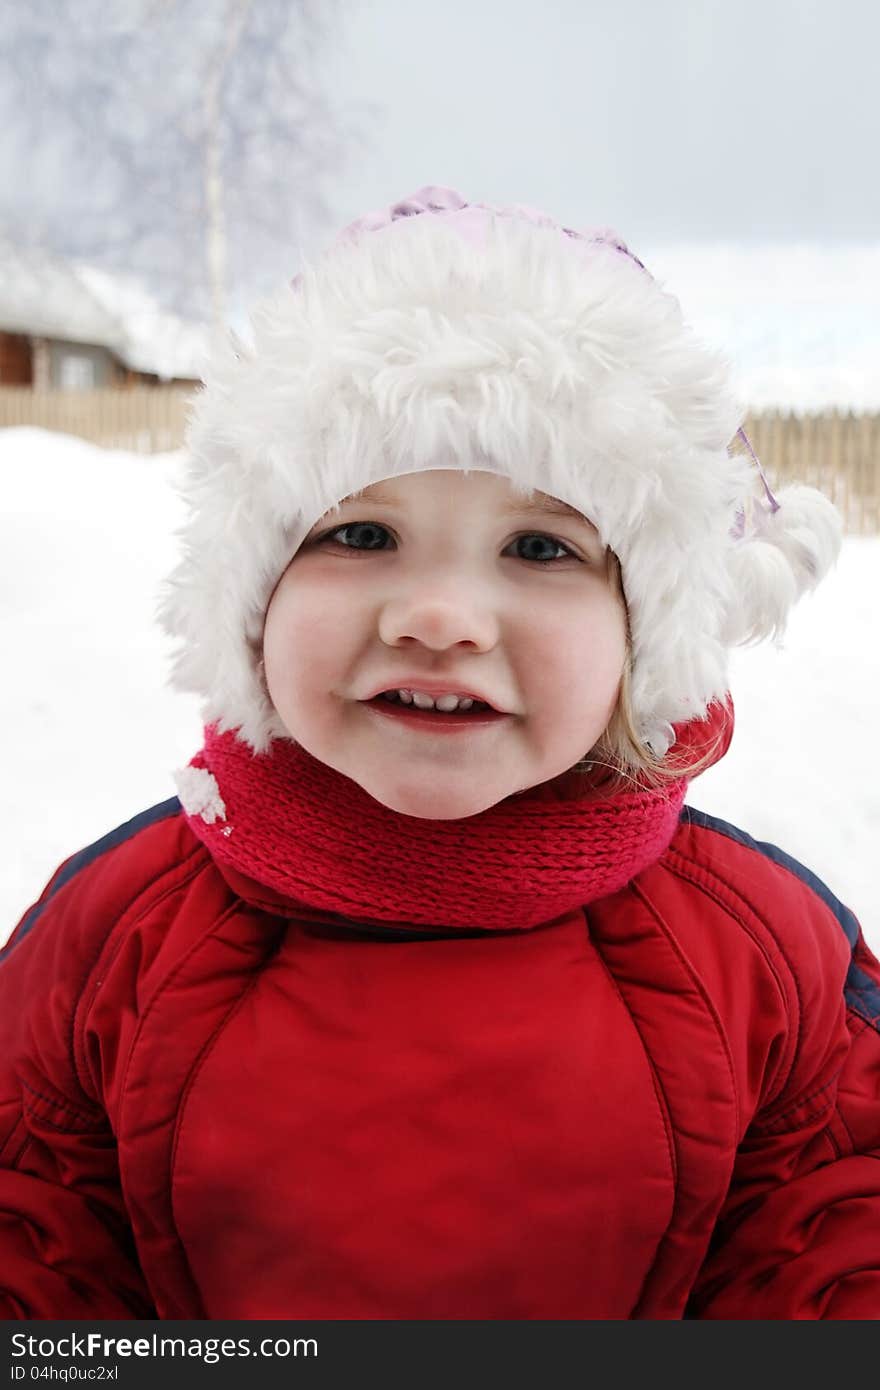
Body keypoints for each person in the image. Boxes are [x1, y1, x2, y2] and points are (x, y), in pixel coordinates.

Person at [1, 186, 877, 1321]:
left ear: (646, 631)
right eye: (361, 533)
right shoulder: (113, 930)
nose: (442, 616)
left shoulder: (765, 955)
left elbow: (832, 1244)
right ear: (249, 598)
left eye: (540, 546)